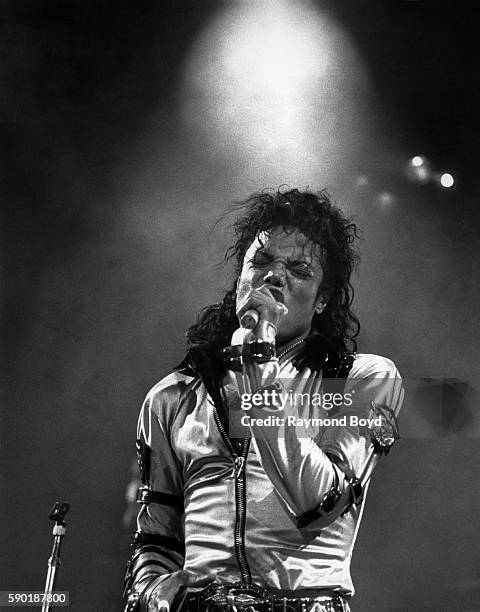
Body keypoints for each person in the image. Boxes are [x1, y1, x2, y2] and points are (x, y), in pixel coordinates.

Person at [123, 188, 404, 612]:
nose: (275, 277)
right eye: (262, 261)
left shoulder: (363, 379)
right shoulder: (170, 397)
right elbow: (155, 538)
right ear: (240, 276)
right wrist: (152, 590)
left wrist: (261, 368)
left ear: (323, 299)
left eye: (299, 269)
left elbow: (319, 503)